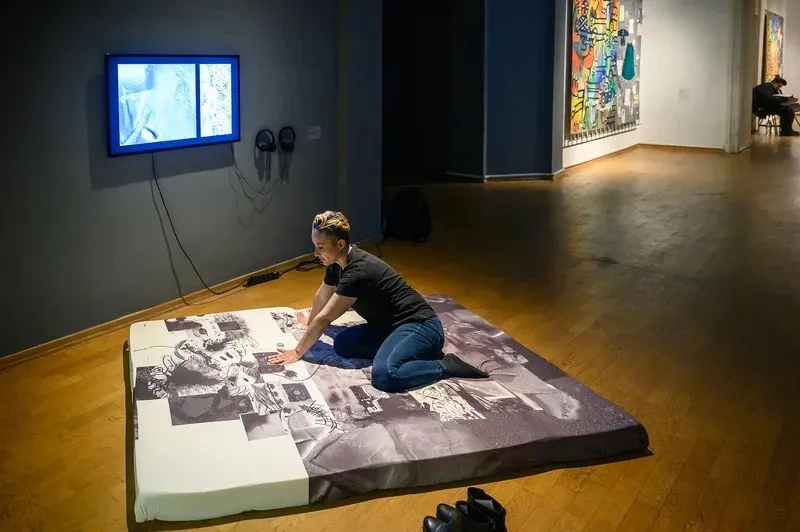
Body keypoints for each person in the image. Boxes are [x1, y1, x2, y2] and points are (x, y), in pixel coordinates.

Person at [267, 210, 488, 392]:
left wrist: (297, 352)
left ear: (340, 244)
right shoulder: (337, 266)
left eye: (321, 247)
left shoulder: (358, 271)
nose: (315, 253)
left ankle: (446, 365)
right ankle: (406, 351)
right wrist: (310, 322)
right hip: (388, 327)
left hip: (421, 326)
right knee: (343, 345)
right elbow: (322, 296)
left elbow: (325, 318)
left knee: (385, 376)